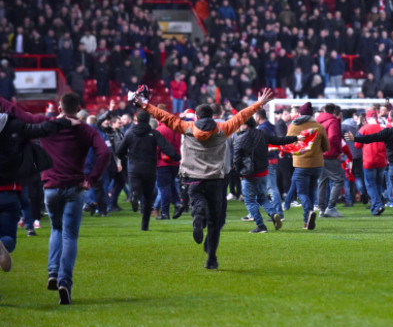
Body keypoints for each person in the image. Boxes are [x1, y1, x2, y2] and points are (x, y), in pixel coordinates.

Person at [133, 88, 273, 269]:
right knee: (215, 222)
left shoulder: (187, 127)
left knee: (198, 202)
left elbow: (164, 116)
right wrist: (259, 104)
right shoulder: (223, 129)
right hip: (216, 179)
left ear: (196, 117)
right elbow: (241, 117)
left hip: (193, 178)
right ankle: (211, 259)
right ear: (213, 117)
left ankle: (198, 215)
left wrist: (145, 104)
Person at [0, 93, 110, 305]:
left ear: (60, 109)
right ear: (78, 108)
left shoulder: (48, 123)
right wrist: (91, 179)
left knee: (56, 230)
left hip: (50, 188)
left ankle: (52, 272)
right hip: (75, 187)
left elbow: (20, 114)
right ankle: (64, 282)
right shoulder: (86, 130)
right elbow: (104, 153)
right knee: (69, 235)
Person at [0, 111, 77, 293]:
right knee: (9, 238)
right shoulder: (14, 127)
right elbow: (41, 129)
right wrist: (64, 122)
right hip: (10, 191)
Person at [233, 117, 301, 233]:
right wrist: (296, 138)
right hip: (263, 172)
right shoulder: (263, 134)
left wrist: (239, 173)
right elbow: (279, 140)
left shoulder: (240, 139)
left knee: (250, 201)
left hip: (249, 174)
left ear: (245, 125)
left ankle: (260, 226)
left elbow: (236, 159)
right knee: (262, 198)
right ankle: (274, 214)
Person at [116, 110, 180, 230]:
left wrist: (123, 156)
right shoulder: (153, 133)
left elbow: (120, 150)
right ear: (148, 120)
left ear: (137, 119)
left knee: (135, 187)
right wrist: (175, 156)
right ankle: (144, 225)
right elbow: (165, 146)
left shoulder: (129, 133)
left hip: (134, 168)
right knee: (148, 197)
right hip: (149, 168)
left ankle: (134, 194)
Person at [286, 102, 329, 230]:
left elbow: (287, 144)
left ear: (300, 114)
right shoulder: (319, 127)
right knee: (310, 191)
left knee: (301, 192)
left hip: (301, 164)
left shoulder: (293, 126)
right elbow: (326, 147)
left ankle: (309, 212)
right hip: (317, 165)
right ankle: (307, 221)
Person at [317, 104, 351, 218]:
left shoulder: (318, 121)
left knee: (322, 182)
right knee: (338, 180)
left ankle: (321, 209)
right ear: (334, 111)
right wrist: (338, 151)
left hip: (319, 155)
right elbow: (333, 138)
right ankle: (331, 207)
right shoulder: (333, 121)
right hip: (330, 155)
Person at [354, 109, 387, 216]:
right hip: (381, 160)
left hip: (369, 160)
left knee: (370, 185)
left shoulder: (364, 129)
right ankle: (376, 205)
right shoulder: (383, 128)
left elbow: (357, 145)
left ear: (367, 118)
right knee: (378, 184)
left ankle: (377, 205)